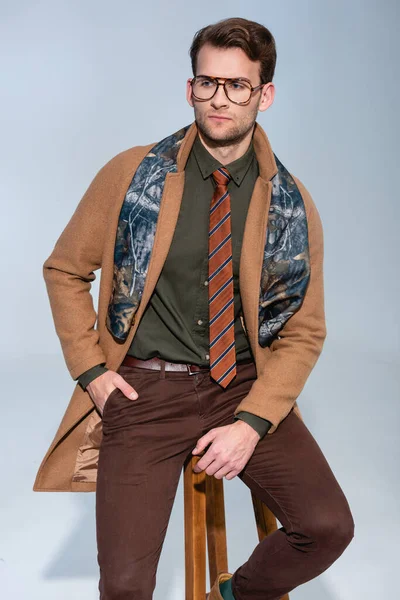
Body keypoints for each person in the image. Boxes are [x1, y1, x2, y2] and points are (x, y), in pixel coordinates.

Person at [34, 16, 355, 600]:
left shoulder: (290, 202)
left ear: (265, 95)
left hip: (242, 387)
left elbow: (304, 333)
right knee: (126, 588)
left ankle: (233, 595)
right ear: (190, 89)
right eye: (207, 83)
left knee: (327, 526)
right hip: (146, 391)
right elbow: (64, 270)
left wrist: (253, 423)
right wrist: (92, 374)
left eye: (238, 86)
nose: (220, 99)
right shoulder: (133, 174)